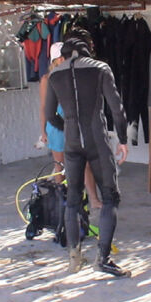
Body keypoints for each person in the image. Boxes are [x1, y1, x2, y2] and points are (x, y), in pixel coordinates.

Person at [45, 37, 130, 277]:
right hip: (96, 140)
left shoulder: (55, 75)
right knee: (110, 197)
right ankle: (102, 259)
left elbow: (50, 115)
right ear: (86, 50)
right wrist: (122, 139)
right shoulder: (100, 68)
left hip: (72, 141)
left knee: (72, 199)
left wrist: (70, 127)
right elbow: (116, 108)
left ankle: (75, 257)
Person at [39, 42, 102, 207]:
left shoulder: (72, 75)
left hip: (75, 122)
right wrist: (43, 131)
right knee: (60, 166)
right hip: (56, 124)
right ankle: (62, 200)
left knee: (85, 163)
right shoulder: (48, 79)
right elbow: (45, 107)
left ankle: (94, 199)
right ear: (58, 59)